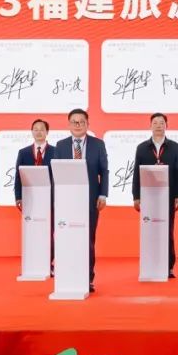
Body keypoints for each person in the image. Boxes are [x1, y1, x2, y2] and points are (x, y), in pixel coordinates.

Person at [54, 108, 108, 292]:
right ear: (69, 125)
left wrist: (103, 194)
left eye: (81, 122)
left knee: (88, 239)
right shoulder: (60, 146)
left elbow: (104, 171)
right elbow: (56, 173)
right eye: (74, 122)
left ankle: (88, 278)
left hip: (91, 200)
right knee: (67, 238)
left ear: (87, 124)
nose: (78, 125)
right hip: (67, 200)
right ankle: (68, 274)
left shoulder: (98, 144)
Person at [131, 112, 178, 278]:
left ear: (166, 126)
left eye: (162, 122)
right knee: (149, 230)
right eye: (155, 122)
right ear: (150, 126)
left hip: (168, 196)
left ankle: (169, 266)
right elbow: (136, 174)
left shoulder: (175, 147)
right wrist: (136, 196)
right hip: (148, 196)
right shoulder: (141, 148)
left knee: (167, 230)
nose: (158, 126)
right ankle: (149, 264)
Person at [15, 119, 56, 274]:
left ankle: (48, 264)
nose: (38, 132)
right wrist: (18, 197)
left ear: (47, 132)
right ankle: (31, 265)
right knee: (32, 231)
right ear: (32, 132)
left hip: (50, 199)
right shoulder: (23, 152)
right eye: (35, 129)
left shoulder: (56, 151)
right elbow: (18, 176)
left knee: (48, 232)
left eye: (41, 129)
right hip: (30, 198)